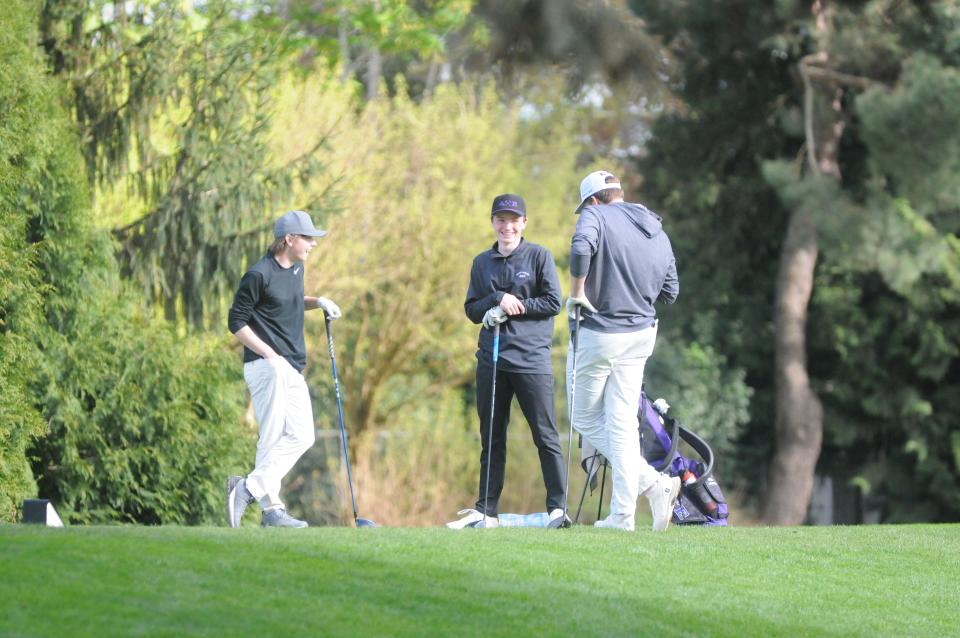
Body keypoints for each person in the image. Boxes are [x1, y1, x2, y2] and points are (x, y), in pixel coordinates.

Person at [566, 170, 680, 532]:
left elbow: (581, 247)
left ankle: (652, 482)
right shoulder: (656, 229)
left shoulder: (595, 215)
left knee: (584, 418)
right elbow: (671, 291)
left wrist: (578, 292)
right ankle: (622, 516)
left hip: (602, 333)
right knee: (622, 423)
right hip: (642, 335)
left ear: (594, 200)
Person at [448, 194, 568, 529]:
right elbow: (472, 309)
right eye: (501, 219)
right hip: (492, 360)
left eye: (514, 220)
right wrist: (496, 299)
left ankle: (558, 508)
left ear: (524, 223)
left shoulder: (539, 256)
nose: (507, 226)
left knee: (545, 435)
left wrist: (517, 305)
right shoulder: (481, 262)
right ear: (493, 222)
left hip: (531, 360)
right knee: (492, 437)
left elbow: (553, 302)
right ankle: (486, 510)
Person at [225, 210, 341, 528]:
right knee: (273, 437)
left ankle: (247, 488)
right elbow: (236, 321)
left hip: (291, 366)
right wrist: (269, 354)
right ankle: (271, 510)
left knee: (303, 436)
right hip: (265, 366)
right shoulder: (258, 274)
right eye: (308, 238)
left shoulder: (296, 269)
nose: (312, 244)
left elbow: (287, 300)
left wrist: (317, 301)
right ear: (289, 239)